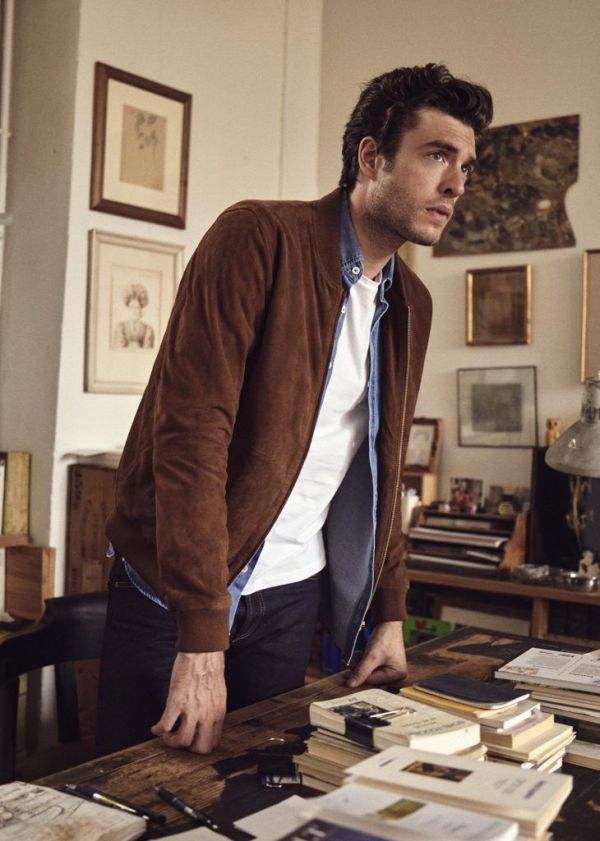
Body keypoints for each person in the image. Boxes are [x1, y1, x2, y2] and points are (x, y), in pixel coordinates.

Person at [95, 63, 493, 757]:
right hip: (175, 592)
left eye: (465, 165)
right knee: (137, 792)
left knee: (262, 792)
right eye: (437, 155)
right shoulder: (257, 237)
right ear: (371, 157)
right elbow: (191, 438)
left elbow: (384, 464)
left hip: (289, 598)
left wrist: (389, 611)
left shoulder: (412, 304)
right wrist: (201, 631)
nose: (457, 183)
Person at [112, 283, 155, 349]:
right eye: (132, 308)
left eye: (137, 308)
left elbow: (148, 347)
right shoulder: (120, 327)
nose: (134, 311)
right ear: (128, 309)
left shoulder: (148, 329)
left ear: (140, 310)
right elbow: (118, 347)